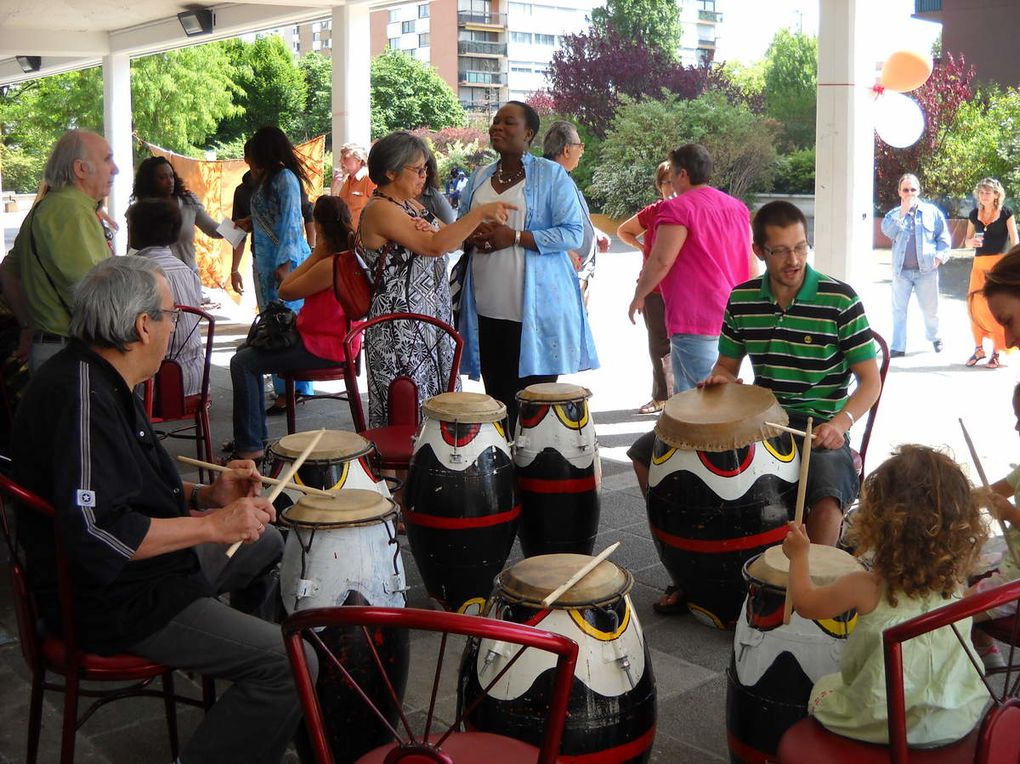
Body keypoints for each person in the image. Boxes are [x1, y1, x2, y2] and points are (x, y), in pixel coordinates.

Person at [11, 256, 313, 762]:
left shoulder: (102, 374)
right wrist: (212, 527)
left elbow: (122, 487)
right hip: (114, 600)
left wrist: (205, 497)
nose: (176, 325)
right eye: (172, 315)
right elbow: (97, 533)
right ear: (142, 325)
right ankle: (251, 696)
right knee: (293, 664)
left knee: (266, 541)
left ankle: (240, 688)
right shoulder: (80, 396)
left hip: (147, 576)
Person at [635, 200, 881, 614]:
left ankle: (813, 598)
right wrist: (721, 380)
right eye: (781, 250)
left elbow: (869, 381)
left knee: (824, 494)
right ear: (759, 251)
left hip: (818, 424)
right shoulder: (744, 298)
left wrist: (842, 421)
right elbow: (727, 366)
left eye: (801, 247)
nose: (794, 259)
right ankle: (689, 571)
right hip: (762, 422)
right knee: (647, 455)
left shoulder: (840, 299)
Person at [784, 445, 988, 746]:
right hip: (954, 718)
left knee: (822, 689)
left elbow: (804, 603)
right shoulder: (956, 587)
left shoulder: (865, 587)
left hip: (884, 724)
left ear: (880, 525)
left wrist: (799, 556)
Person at [357, 131, 515, 428]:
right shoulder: (380, 208)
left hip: (430, 321)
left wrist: (447, 230)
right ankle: (399, 476)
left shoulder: (411, 206)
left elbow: (450, 240)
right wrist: (478, 213)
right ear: (390, 171)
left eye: (426, 168)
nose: (424, 175)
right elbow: (436, 245)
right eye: (417, 169)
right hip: (400, 328)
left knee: (439, 408)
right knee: (407, 413)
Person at [457, 101, 598, 429]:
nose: (497, 128)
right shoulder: (479, 177)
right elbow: (460, 227)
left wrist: (516, 237)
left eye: (509, 122)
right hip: (487, 309)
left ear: (529, 133)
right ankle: (504, 474)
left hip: (536, 314)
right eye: (495, 122)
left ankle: (534, 475)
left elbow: (572, 233)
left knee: (536, 410)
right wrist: (473, 236)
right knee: (499, 404)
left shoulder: (552, 176)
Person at [228, 196, 360, 462]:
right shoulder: (349, 257)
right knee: (246, 355)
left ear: (320, 227)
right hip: (334, 339)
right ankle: (253, 436)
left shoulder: (329, 264)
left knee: (242, 362)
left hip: (324, 344)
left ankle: (250, 444)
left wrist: (315, 254)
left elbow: (286, 290)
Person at [627, 144, 753, 393]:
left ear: (683, 174)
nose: (670, 181)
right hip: (733, 319)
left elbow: (661, 260)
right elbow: (750, 262)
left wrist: (639, 295)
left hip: (696, 320)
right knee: (721, 394)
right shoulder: (737, 207)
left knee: (700, 402)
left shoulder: (678, 209)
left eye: (672, 173)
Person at [1, 129, 117, 372]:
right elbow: (94, 298)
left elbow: (7, 272)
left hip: (52, 350)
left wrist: (27, 323)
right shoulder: (71, 212)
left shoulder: (48, 207)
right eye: (107, 159)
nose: (114, 169)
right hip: (72, 355)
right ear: (80, 169)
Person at [247, 126, 315, 414]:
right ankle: (283, 387)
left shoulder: (284, 178)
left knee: (287, 324)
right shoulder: (268, 180)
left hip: (282, 265)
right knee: (272, 325)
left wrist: (285, 265)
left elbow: (290, 222)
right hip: (266, 263)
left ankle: (296, 388)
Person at [126, 198, 205, 397]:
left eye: (130, 225)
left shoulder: (134, 273)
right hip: (194, 379)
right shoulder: (188, 272)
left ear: (138, 230)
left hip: (151, 383)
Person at [966, 381, 1020, 670]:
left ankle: (958, 675)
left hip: (1016, 583)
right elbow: (990, 492)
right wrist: (956, 495)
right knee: (974, 570)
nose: (1016, 427)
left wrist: (1011, 514)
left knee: (951, 610)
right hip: (1013, 564)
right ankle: (988, 651)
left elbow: (1005, 505)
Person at [617, 160, 676, 414]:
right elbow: (623, 231)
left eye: (676, 180)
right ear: (659, 185)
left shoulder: (692, 210)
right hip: (653, 289)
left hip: (683, 290)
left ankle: (684, 400)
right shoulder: (654, 212)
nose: (672, 186)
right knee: (659, 345)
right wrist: (644, 249)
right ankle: (661, 397)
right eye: (666, 181)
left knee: (686, 345)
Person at [880, 173, 951, 358]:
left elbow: (943, 238)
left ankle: (935, 337)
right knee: (898, 310)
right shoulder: (893, 215)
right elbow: (888, 231)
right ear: (899, 192)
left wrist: (938, 258)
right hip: (901, 271)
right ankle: (898, 346)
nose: (910, 193)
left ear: (919, 191)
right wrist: (903, 213)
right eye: (906, 189)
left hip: (926, 271)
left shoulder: (932, 212)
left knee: (930, 309)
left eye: (913, 189)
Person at [542, 120, 609, 306]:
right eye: (580, 146)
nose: (582, 151)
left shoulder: (561, 176)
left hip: (577, 273)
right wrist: (564, 250)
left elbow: (568, 217)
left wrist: (594, 233)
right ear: (566, 150)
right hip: (563, 275)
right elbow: (536, 221)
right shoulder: (549, 179)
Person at [130, 155, 223, 274]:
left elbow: (213, 229)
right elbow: (133, 248)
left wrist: (237, 229)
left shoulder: (188, 202)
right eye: (162, 177)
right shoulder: (140, 211)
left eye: (171, 176)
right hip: (155, 279)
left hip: (188, 275)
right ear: (149, 181)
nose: (170, 181)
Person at [964, 177, 1018, 368]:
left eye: (988, 192)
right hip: (979, 265)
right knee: (974, 307)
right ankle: (978, 349)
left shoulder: (1006, 213)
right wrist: (971, 243)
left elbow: (1015, 241)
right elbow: (966, 241)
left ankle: (996, 352)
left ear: (996, 195)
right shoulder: (973, 214)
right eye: (981, 192)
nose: (984, 195)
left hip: (998, 267)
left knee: (995, 309)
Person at [337, 142, 375, 228]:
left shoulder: (369, 179)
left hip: (363, 236)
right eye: (341, 158)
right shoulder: (346, 180)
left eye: (345, 158)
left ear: (359, 160)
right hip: (347, 234)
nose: (341, 161)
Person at [419, 150, 456, 225]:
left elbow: (450, 231)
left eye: (422, 169)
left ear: (427, 172)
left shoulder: (437, 201)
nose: (422, 175)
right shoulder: (403, 199)